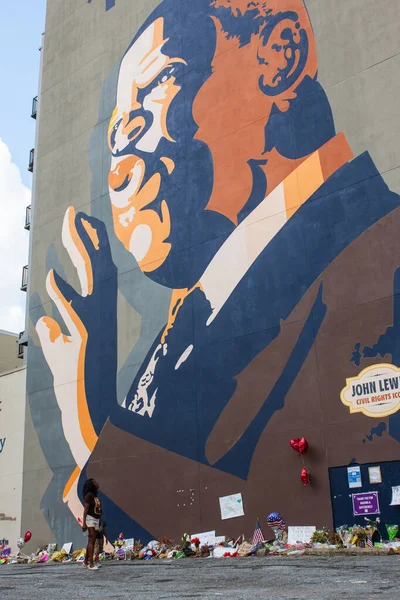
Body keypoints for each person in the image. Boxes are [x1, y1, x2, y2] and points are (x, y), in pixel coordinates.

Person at [36, 0, 400, 540]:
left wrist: (92, 425)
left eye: (161, 81)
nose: (123, 149)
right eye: (115, 130)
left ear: (281, 55)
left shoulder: (376, 257)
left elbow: (276, 523)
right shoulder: (197, 313)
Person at [82, 479, 102, 570]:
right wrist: (84, 523)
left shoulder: (94, 495)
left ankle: (86, 561)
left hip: (96, 519)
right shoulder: (89, 496)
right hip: (90, 519)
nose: (97, 483)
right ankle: (91, 564)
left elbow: (98, 509)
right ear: (91, 485)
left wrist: (99, 519)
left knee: (92, 540)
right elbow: (85, 510)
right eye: (95, 482)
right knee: (91, 540)